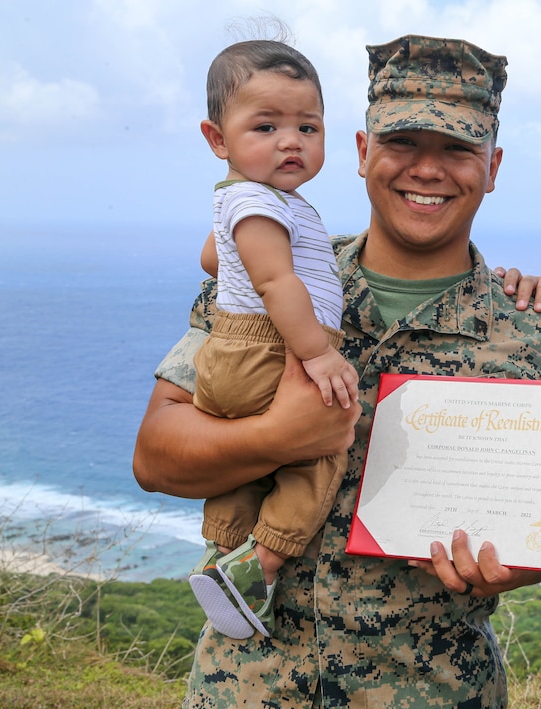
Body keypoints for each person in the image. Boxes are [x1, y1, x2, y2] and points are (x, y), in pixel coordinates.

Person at [133, 34, 541, 709]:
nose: (428, 170)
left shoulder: (532, 341)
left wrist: (516, 564)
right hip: (247, 696)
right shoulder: (266, 284)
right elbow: (155, 454)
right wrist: (276, 435)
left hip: (434, 702)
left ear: (492, 166)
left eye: (458, 149)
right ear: (360, 151)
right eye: (404, 142)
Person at [185, 39, 360, 641]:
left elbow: (216, 258)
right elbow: (274, 280)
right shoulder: (261, 205)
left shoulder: (241, 201)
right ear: (217, 139)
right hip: (271, 349)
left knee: (243, 472)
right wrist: (316, 351)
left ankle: (219, 557)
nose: (291, 141)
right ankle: (261, 563)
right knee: (319, 454)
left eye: (307, 127)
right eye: (266, 126)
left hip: (232, 353)